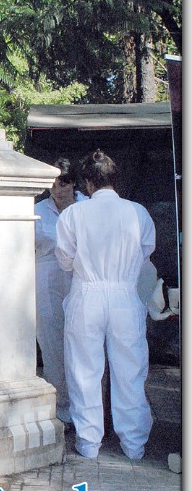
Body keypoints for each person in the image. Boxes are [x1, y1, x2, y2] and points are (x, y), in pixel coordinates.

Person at [55, 149, 156, 460]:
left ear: (88, 183)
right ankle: (134, 444)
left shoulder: (73, 214)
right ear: (115, 180)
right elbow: (146, 252)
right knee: (130, 369)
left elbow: (66, 261)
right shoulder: (137, 212)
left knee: (84, 369)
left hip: (87, 293)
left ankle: (88, 442)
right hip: (124, 294)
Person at [34, 158, 88, 424]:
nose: (58, 188)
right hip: (47, 280)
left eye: (63, 182)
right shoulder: (38, 211)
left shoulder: (88, 207)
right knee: (52, 344)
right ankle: (62, 408)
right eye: (52, 183)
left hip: (82, 280)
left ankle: (88, 409)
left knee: (83, 346)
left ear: (74, 182)